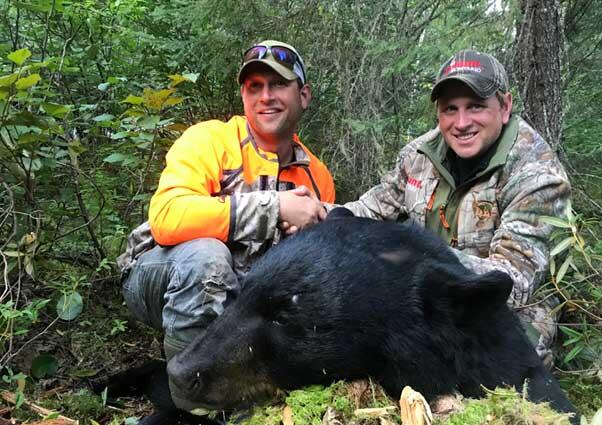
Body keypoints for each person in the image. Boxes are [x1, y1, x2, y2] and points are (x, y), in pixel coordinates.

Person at [341, 49, 571, 367]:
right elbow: (372, 209)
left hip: (499, 304)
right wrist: (321, 215)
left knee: (512, 353)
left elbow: (513, 283)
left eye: (475, 106)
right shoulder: (420, 155)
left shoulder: (537, 174)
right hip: (428, 288)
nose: (461, 123)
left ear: (504, 107)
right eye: (450, 109)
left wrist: (410, 254)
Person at [117, 40, 334, 362]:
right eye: (254, 87)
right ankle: (194, 399)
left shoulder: (317, 176)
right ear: (244, 96)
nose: (266, 97)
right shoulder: (209, 139)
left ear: (303, 95)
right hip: (160, 276)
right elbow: (167, 217)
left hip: (242, 292)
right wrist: (274, 209)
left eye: (278, 84)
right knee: (207, 258)